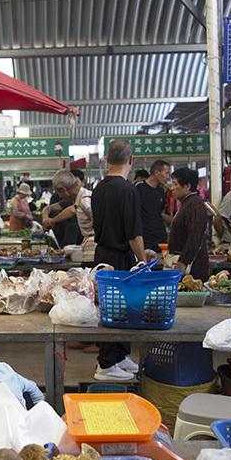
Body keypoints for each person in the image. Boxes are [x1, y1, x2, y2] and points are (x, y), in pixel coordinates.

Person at [91, 139, 153, 381]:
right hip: (120, 257)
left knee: (116, 308)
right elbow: (133, 233)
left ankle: (119, 357)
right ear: (131, 160)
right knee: (118, 309)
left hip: (103, 255)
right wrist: (142, 260)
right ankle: (105, 365)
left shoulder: (98, 188)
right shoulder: (128, 189)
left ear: (107, 159)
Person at [167, 168, 209, 281]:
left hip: (192, 269)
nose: (172, 188)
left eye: (175, 184)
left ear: (187, 186)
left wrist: (183, 262)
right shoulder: (187, 203)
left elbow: (195, 236)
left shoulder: (194, 204)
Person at [45, 169, 95, 263]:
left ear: (64, 190)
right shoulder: (80, 198)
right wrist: (52, 221)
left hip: (94, 253)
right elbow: (71, 210)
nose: (59, 197)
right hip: (88, 252)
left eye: (58, 193)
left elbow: (102, 226)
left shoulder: (85, 201)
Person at [137, 160, 171, 251]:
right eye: (166, 173)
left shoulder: (161, 191)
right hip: (145, 240)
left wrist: (174, 220)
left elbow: (159, 214)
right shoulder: (139, 188)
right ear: (156, 172)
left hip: (160, 238)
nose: (167, 177)